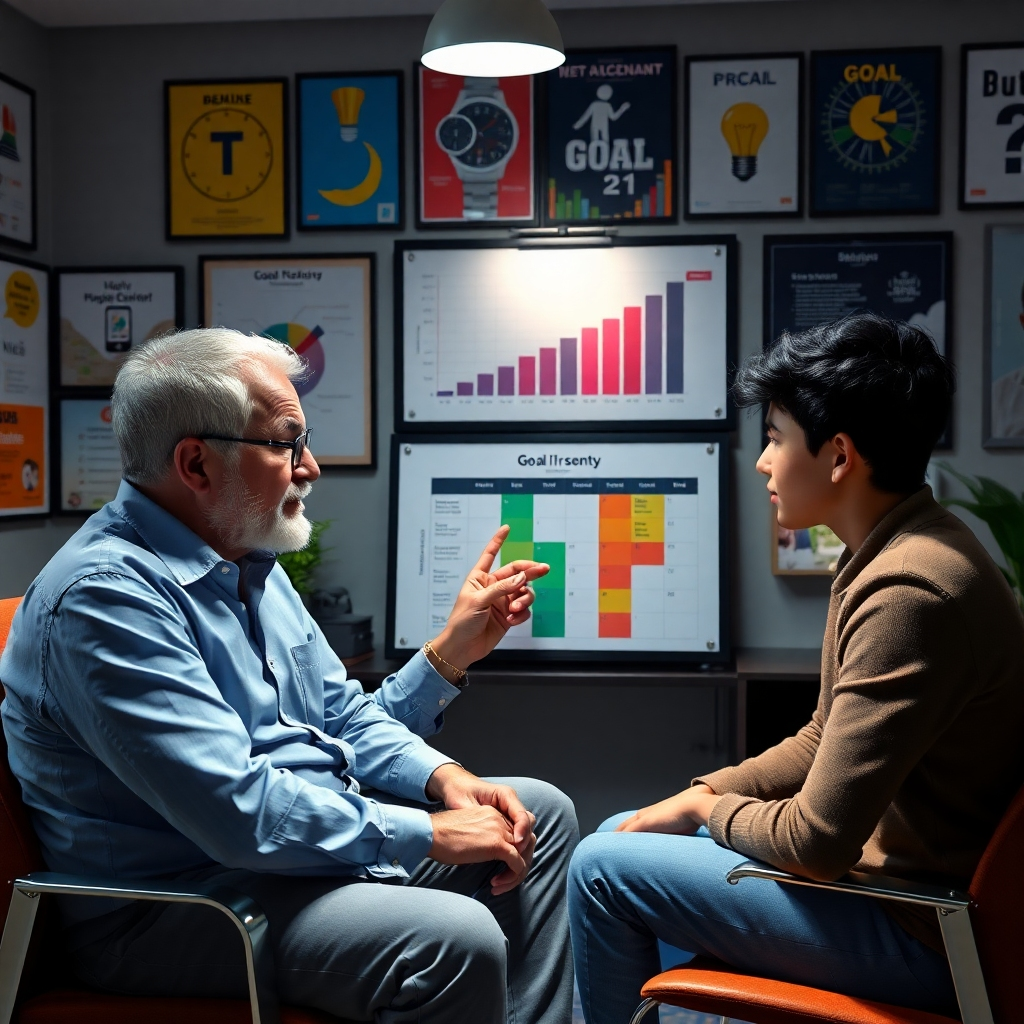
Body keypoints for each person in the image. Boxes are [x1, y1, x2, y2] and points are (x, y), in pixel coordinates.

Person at [0, 329, 579, 1024]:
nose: (310, 468)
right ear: (196, 463)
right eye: (286, 443)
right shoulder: (104, 600)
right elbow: (238, 813)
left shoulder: (245, 556)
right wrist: (429, 834)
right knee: (453, 941)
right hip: (186, 907)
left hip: (288, 862)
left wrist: (446, 779)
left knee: (535, 813)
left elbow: (339, 715)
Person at [568, 312, 1024, 1023]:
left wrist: (704, 809)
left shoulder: (911, 590)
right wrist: (704, 792)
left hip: (922, 931)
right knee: (627, 829)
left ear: (838, 456)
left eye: (775, 438)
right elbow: (822, 737)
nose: (762, 462)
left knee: (600, 867)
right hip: (897, 895)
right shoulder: (899, 548)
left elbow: (815, 842)